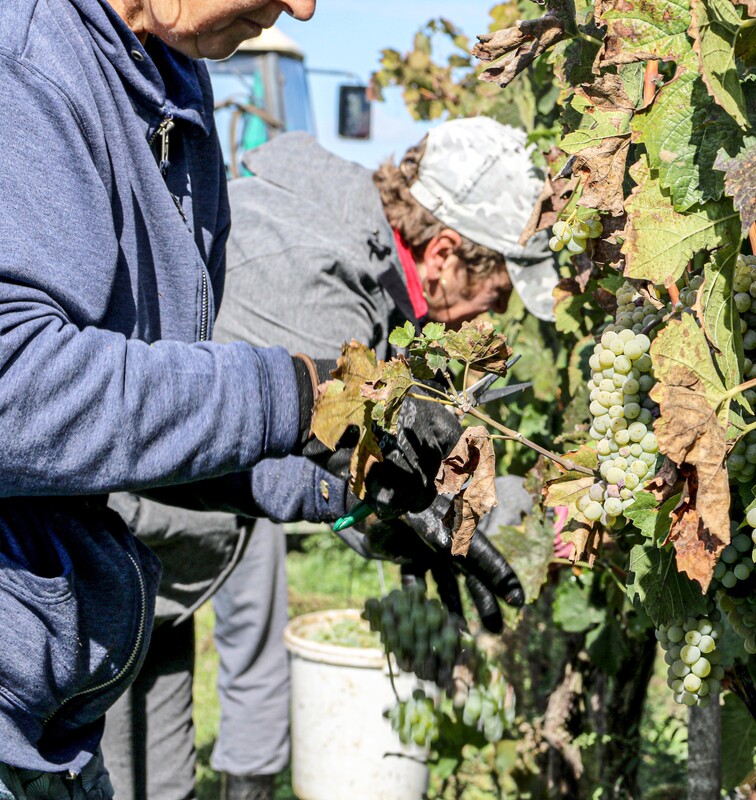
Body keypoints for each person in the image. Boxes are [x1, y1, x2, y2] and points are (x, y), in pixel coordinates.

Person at [0, 2, 469, 797]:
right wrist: (292, 389)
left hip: (49, 704)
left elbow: (133, 434)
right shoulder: (27, 61)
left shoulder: (174, 88)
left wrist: (347, 494)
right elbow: (17, 394)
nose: (306, 7)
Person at [100, 120, 556, 800]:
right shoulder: (316, 295)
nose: (489, 319)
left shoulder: (348, 240)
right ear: (446, 253)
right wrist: (367, 500)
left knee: (159, 786)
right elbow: (223, 446)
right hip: (98, 559)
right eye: (497, 294)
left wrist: (366, 504)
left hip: (157, 562)